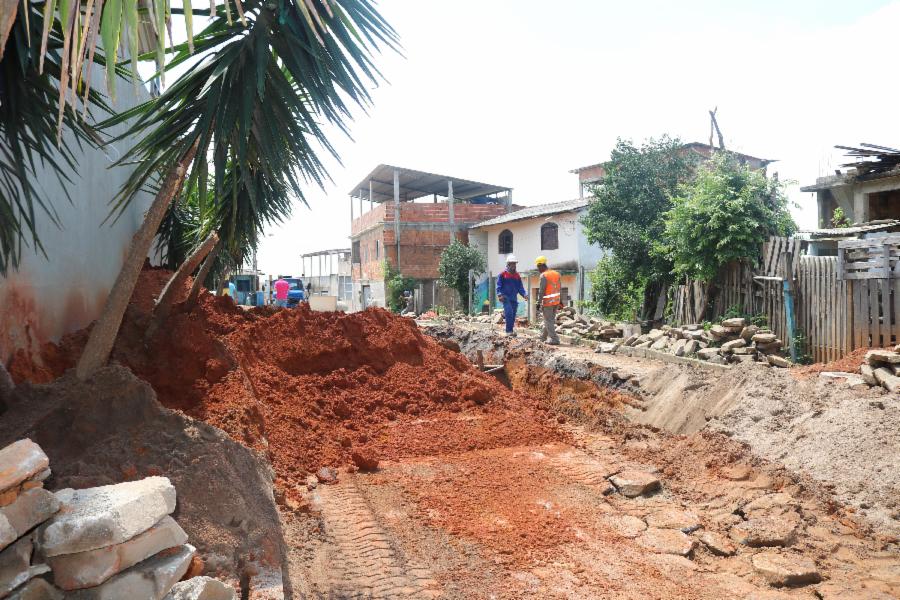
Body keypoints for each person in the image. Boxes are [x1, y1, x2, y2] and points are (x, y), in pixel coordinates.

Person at [496, 254, 528, 337]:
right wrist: (499, 295)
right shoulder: (502, 274)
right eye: (512, 264)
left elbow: (520, 287)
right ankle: (508, 331)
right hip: (505, 297)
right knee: (509, 312)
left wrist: (524, 294)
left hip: (514, 298)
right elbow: (498, 286)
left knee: (513, 314)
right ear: (508, 264)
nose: (514, 265)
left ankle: (510, 330)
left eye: (515, 264)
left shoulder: (517, 275)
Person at [535, 256, 561, 345]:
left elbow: (541, 291)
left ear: (540, 265)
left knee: (548, 320)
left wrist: (538, 302)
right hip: (556, 301)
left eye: (538, 267)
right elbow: (559, 287)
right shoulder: (556, 274)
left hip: (548, 303)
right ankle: (543, 337)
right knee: (549, 320)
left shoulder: (544, 275)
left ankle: (554, 339)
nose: (538, 269)